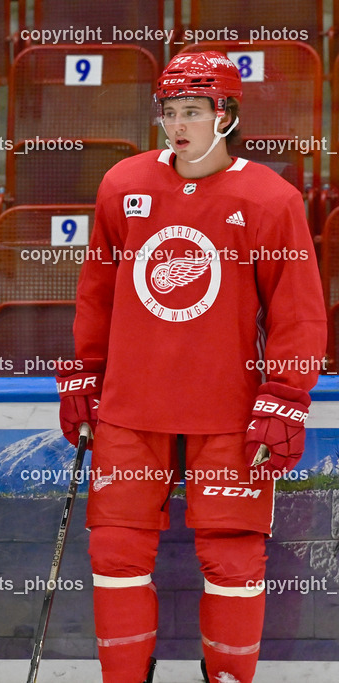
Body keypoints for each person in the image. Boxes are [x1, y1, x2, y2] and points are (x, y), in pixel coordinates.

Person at [56, 51, 327, 683]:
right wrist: (86, 374)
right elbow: (97, 292)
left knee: (233, 560)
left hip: (228, 411)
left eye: (193, 112)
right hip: (131, 406)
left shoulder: (271, 199)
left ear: (225, 115)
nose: (178, 125)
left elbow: (297, 310)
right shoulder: (123, 185)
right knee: (114, 551)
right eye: (170, 112)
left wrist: (286, 394)